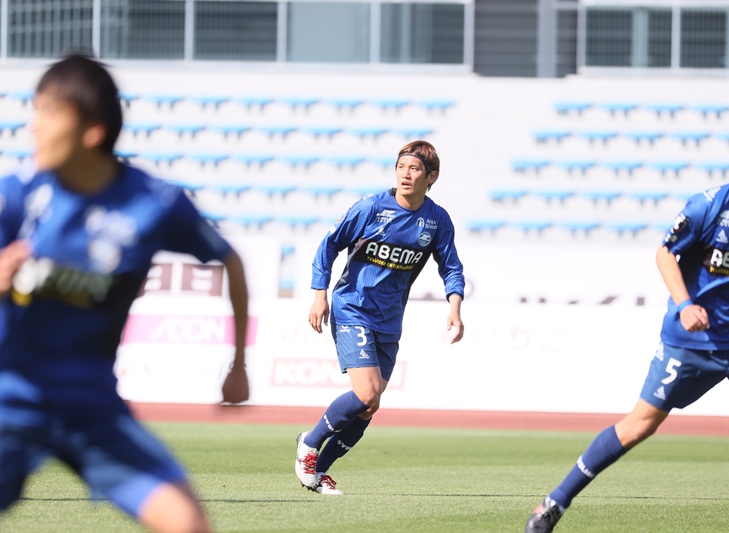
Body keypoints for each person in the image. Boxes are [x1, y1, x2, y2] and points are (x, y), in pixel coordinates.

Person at [0, 54, 249, 533]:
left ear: (92, 131)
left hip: (92, 406)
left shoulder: (154, 203)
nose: (33, 126)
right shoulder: (18, 194)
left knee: (188, 524)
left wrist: (237, 366)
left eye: (48, 112)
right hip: (11, 398)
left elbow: (230, 261)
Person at [527, 121, 729, 533]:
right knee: (640, 425)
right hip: (690, 340)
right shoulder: (708, 206)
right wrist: (686, 304)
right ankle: (554, 502)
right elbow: (664, 254)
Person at [294, 140, 465, 495]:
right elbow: (329, 244)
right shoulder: (371, 208)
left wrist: (455, 307)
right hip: (352, 307)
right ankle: (309, 443)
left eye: (414, 168)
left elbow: (451, 266)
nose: (406, 174)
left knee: (369, 407)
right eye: (401, 167)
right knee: (366, 392)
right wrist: (319, 294)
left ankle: (319, 472)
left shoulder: (436, 220)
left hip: (389, 319)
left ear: (431, 177)